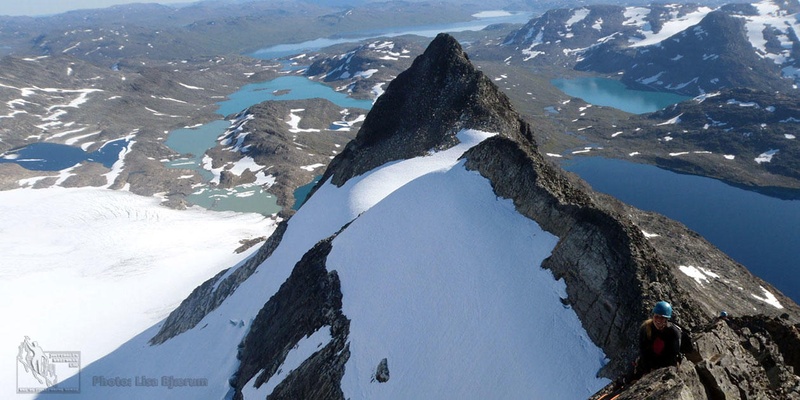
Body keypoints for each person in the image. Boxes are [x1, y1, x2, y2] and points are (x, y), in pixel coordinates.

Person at [635, 301, 682, 377]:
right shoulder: (646, 328)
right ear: (653, 316)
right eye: (656, 316)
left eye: (662, 318)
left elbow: (672, 355)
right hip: (650, 361)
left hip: (667, 364)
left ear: (666, 319)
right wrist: (648, 369)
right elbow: (643, 351)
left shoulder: (673, 333)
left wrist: (656, 369)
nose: (659, 320)